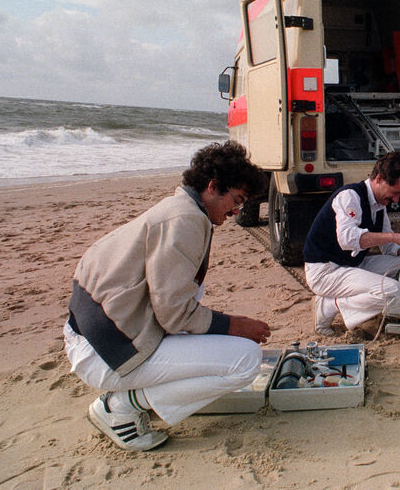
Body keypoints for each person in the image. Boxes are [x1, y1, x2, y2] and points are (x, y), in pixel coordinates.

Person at [63, 141, 269, 452]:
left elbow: (173, 306)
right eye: (236, 200)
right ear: (213, 186)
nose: (237, 212)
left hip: (99, 338)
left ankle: (133, 399)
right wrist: (236, 325)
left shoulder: (180, 208)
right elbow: (174, 315)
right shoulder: (184, 220)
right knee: (245, 359)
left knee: (222, 344)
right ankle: (120, 407)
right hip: (103, 353)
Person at [304, 151, 400, 336]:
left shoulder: (380, 205)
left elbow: (390, 249)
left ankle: (386, 307)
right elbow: (348, 240)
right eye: (395, 192)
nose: (396, 200)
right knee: (392, 289)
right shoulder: (350, 196)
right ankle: (329, 305)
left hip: (353, 264)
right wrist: (396, 237)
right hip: (326, 271)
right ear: (379, 178)